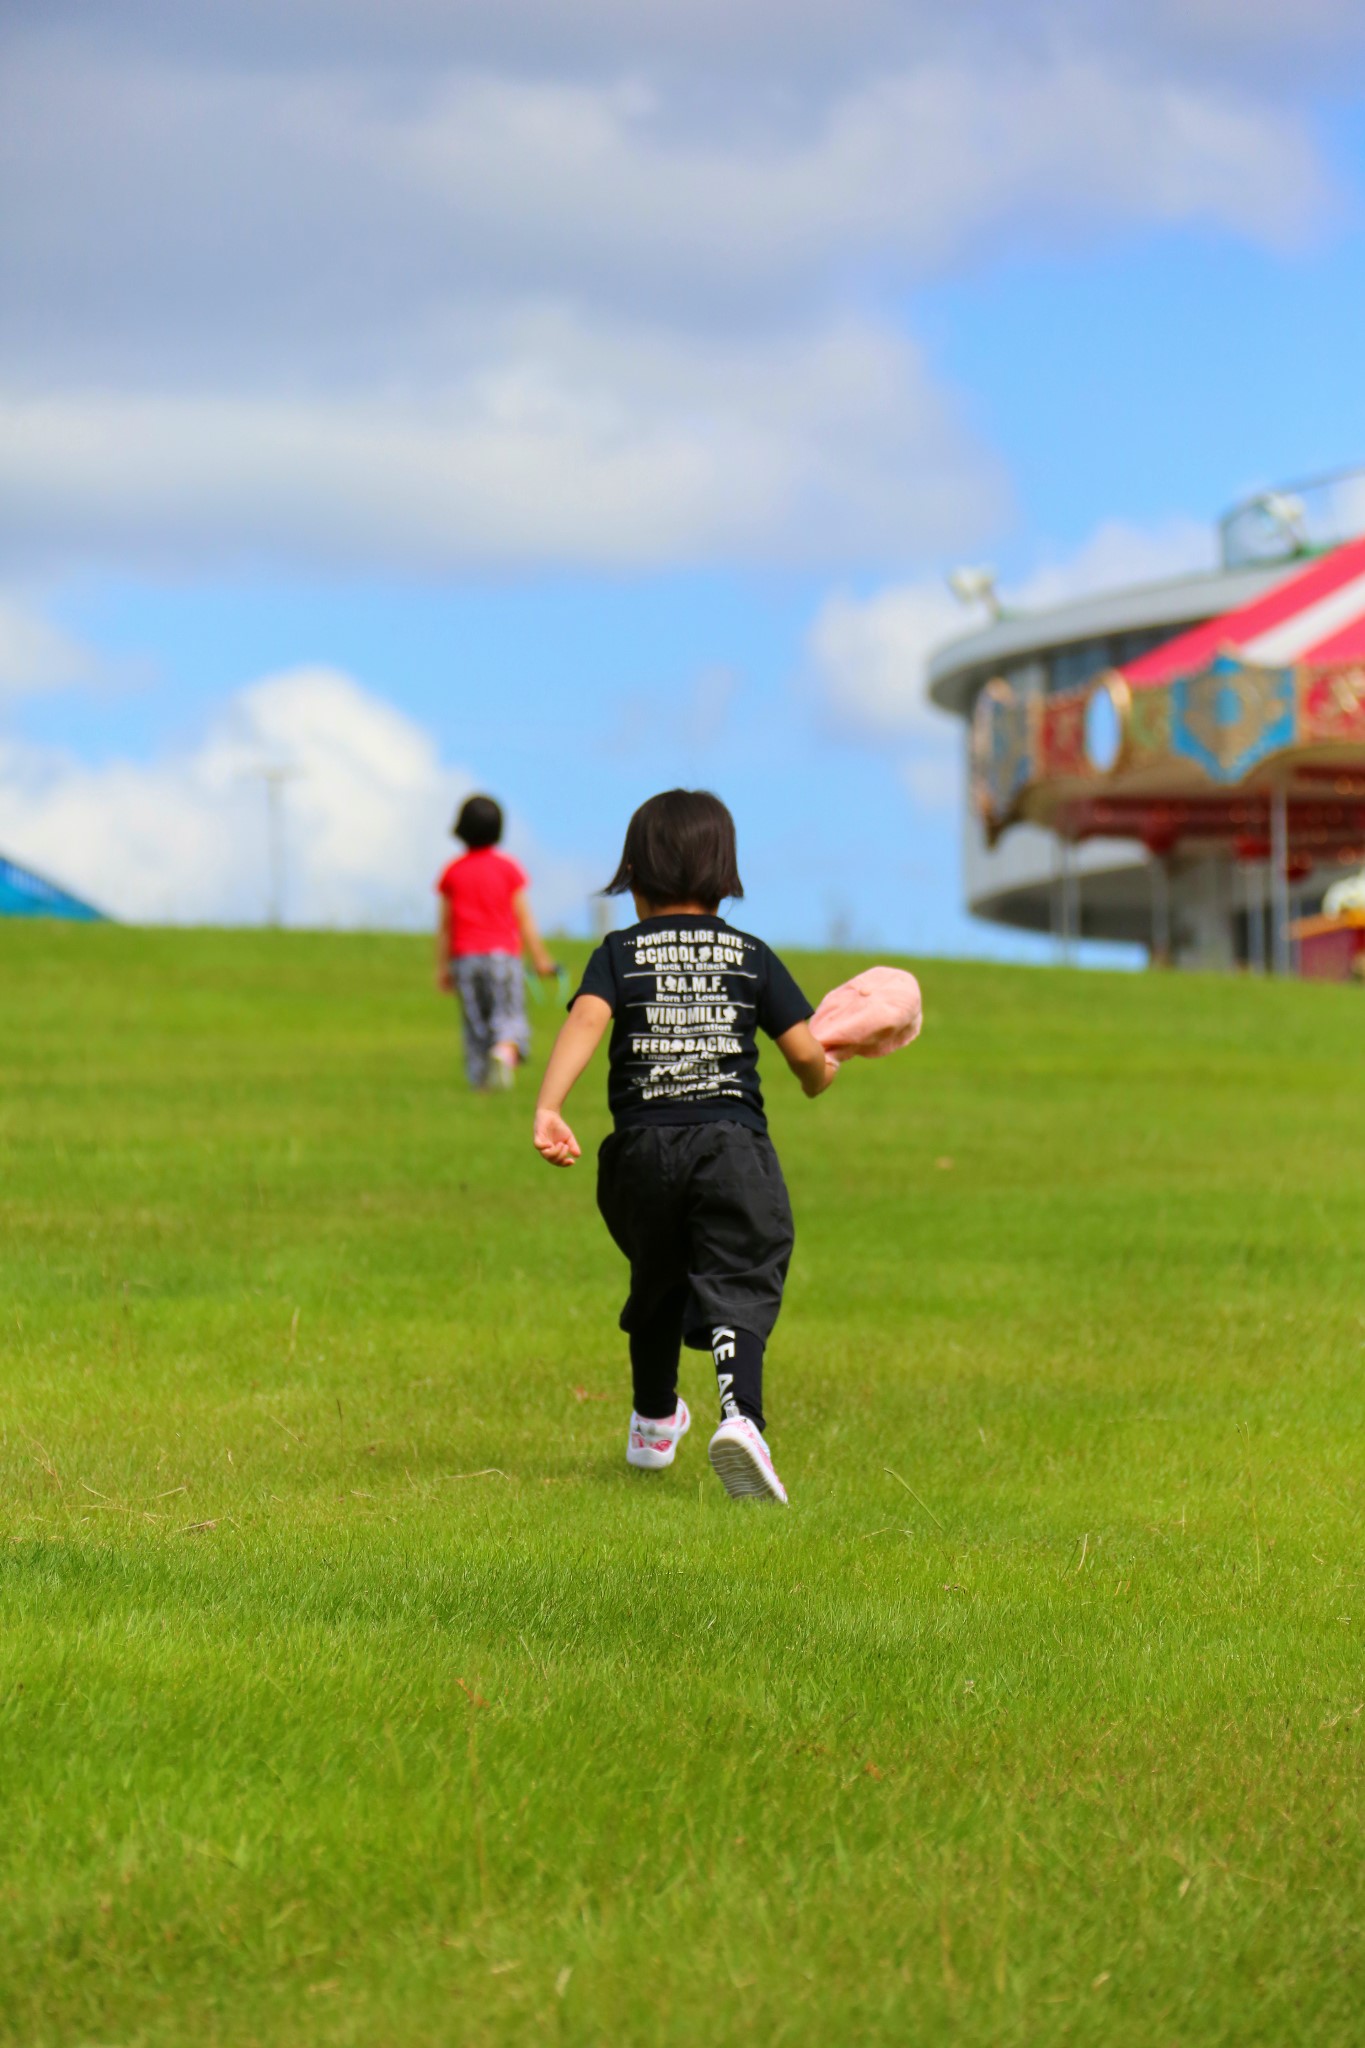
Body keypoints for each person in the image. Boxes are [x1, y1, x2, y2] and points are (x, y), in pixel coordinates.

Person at [532, 789, 835, 1504]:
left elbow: (584, 1021)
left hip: (639, 1151)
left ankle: (653, 1420)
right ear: (724, 873)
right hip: (729, 1146)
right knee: (741, 1270)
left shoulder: (618, 952)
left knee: (658, 1277)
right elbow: (805, 1059)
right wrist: (828, 1068)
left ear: (631, 871)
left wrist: (549, 1106)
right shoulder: (751, 956)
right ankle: (741, 1421)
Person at [436, 794, 558, 1091]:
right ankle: (505, 1052)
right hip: (502, 956)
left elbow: (445, 926)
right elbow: (524, 920)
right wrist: (541, 958)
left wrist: (443, 967)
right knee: (508, 1016)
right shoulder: (508, 869)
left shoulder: (453, 872)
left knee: (476, 1025)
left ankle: (481, 1087)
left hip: (465, 960)